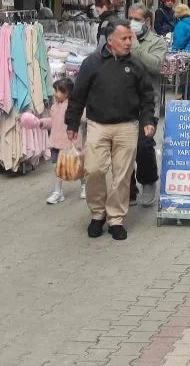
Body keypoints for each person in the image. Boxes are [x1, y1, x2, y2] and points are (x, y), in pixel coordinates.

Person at [65, 20, 156, 241]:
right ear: (110, 40)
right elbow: (78, 95)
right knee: (94, 170)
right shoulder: (92, 63)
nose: (129, 42)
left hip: (127, 126)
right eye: (124, 38)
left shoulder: (135, 65)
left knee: (122, 176)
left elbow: (147, 97)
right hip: (98, 125)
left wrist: (148, 120)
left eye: (130, 38)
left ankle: (116, 219)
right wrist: (72, 123)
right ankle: (97, 214)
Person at [127, 3, 167, 207]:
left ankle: (148, 180)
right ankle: (129, 187)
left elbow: (155, 65)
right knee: (125, 145)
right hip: (125, 99)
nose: (132, 23)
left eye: (137, 19)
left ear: (148, 22)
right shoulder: (121, 36)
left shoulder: (157, 42)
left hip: (147, 101)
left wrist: (134, 46)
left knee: (144, 143)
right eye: (130, 18)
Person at [40, 78, 86, 204]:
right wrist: (42, 123)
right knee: (57, 169)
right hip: (55, 143)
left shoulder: (74, 107)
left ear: (66, 93)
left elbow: (84, 117)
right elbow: (53, 122)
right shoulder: (54, 107)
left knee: (77, 168)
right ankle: (58, 192)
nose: (55, 93)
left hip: (70, 144)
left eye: (57, 91)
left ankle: (84, 186)